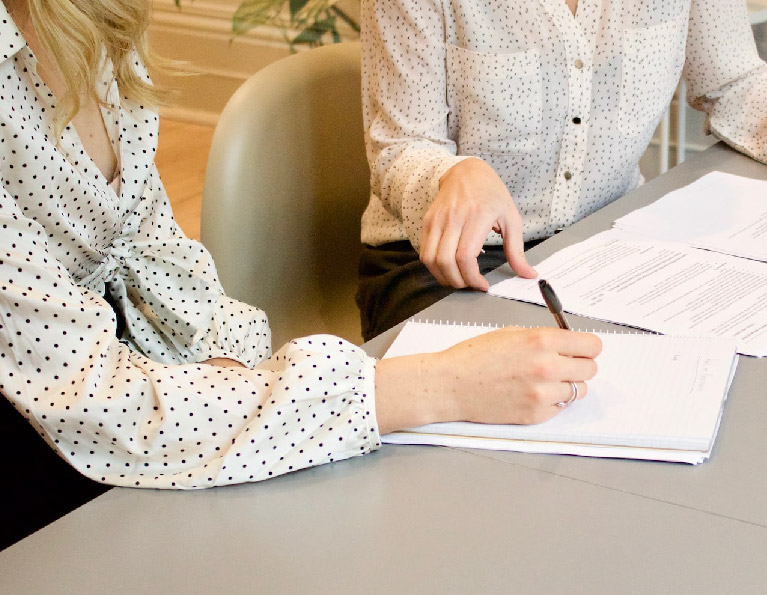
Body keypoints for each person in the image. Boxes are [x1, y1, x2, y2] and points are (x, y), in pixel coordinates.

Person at [0, 0, 601, 549]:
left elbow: (153, 247)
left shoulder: (91, 19)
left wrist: (231, 369)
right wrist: (436, 386)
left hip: (128, 404)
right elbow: (99, 400)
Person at [356, 0, 767, 340]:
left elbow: (733, 83)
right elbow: (400, 145)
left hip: (604, 247)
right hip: (441, 264)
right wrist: (452, 175)